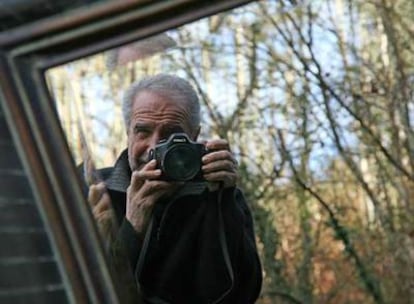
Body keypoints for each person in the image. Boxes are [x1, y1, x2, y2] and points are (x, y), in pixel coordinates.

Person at [86, 74, 262, 303]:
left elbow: (243, 294)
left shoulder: (217, 194)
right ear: (128, 133)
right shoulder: (95, 193)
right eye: (143, 131)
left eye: (171, 134)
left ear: (194, 137)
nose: (154, 147)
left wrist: (222, 202)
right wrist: (132, 228)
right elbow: (85, 292)